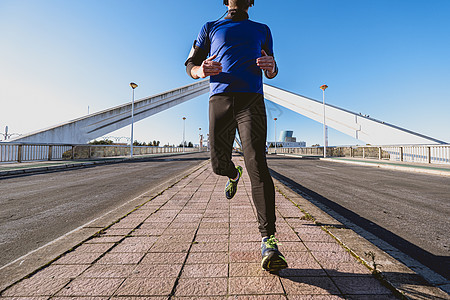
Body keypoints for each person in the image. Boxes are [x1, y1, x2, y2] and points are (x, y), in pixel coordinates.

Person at [185, 0, 287, 272]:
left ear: (251, 1)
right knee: (218, 164)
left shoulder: (262, 29)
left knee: (257, 164)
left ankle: (269, 240)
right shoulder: (210, 27)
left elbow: (273, 69)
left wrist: (272, 66)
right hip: (219, 99)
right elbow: (190, 64)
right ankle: (232, 174)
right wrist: (200, 70)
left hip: (251, 101)